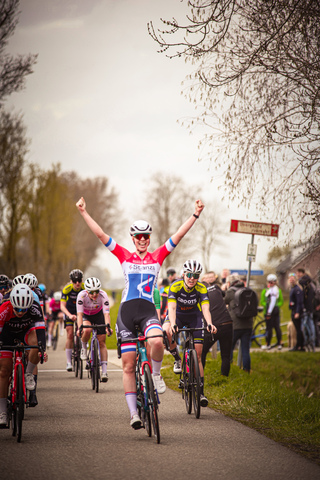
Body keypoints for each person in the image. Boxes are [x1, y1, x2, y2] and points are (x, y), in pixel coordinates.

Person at [76, 196, 205, 429]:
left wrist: (195, 214)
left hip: (147, 311)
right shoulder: (125, 256)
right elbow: (101, 235)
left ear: (149, 238)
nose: (143, 240)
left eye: (146, 236)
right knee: (128, 364)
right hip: (126, 313)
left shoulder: (157, 257)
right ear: (133, 239)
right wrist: (84, 212)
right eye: (139, 236)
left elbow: (179, 235)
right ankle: (134, 413)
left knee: (157, 341)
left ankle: (155, 375)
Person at [162, 260, 216, 407]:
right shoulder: (175, 285)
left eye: (196, 276)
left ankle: (201, 392)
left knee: (198, 355)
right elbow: (171, 308)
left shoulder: (201, 287)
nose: (192, 278)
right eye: (190, 275)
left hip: (194, 317)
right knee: (166, 331)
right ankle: (177, 359)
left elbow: (205, 309)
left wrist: (210, 323)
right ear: (184, 274)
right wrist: (173, 324)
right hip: (177, 315)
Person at [0, 284, 47, 426]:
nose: (20, 312)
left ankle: (28, 373)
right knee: (4, 371)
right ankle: (2, 411)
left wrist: (42, 350)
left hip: (26, 331)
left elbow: (40, 331)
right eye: (18, 309)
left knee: (36, 347)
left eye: (24, 310)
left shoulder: (35, 307)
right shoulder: (4, 309)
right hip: (6, 335)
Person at [76, 277, 113, 382]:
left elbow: (106, 314)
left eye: (96, 291)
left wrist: (108, 327)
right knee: (86, 330)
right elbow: (79, 314)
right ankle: (84, 347)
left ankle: (104, 372)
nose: (94, 294)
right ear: (87, 291)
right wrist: (80, 329)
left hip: (98, 315)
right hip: (86, 316)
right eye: (91, 292)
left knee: (102, 342)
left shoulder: (103, 295)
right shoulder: (81, 296)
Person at [201, 277, 233, 376]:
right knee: (226, 355)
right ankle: (224, 377)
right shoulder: (216, 287)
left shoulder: (200, 295)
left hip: (213, 326)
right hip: (227, 323)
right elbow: (224, 296)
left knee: (202, 352)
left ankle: (199, 376)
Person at [225, 273, 253, 373]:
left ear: (230, 282)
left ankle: (229, 368)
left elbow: (224, 301)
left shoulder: (230, 291)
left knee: (229, 348)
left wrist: (225, 288)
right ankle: (247, 370)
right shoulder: (246, 290)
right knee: (245, 349)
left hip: (235, 326)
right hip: (248, 325)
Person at [60, 269, 84, 371]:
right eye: (75, 281)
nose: (77, 283)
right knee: (70, 334)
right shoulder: (67, 289)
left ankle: (84, 353)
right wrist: (69, 315)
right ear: (71, 281)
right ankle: (69, 362)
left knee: (83, 332)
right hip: (69, 311)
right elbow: (62, 306)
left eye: (79, 280)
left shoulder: (84, 288)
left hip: (80, 312)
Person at [260, 274, 283, 350]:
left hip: (275, 312)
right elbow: (262, 301)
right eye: (269, 282)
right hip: (267, 311)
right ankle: (268, 343)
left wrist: (276, 306)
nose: (270, 283)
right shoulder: (265, 291)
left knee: (277, 328)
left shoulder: (278, 291)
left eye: (272, 282)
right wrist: (267, 305)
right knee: (268, 328)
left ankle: (279, 343)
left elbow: (281, 301)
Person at [296, 268, 316, 351]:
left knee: (304, 326)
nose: (298, 275)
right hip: (311, 307)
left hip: (306, 307)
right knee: (310, 324)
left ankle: (308, 342)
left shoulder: (304, 282)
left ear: (303, 273)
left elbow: (305, 296)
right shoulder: (311, 282)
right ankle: (312, 342)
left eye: (299, 273)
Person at [288, 273, 304, 351]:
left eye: (292, 278)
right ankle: (300, 346)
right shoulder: (293, 288)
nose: (291, 280)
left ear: (295, 279)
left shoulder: (297, 289)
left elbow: (299, 302)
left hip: (296, 312)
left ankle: (299, 346)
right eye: (290, 279)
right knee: (298, 329)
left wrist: (297, 312)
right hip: (293, 310)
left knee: (298, 329)